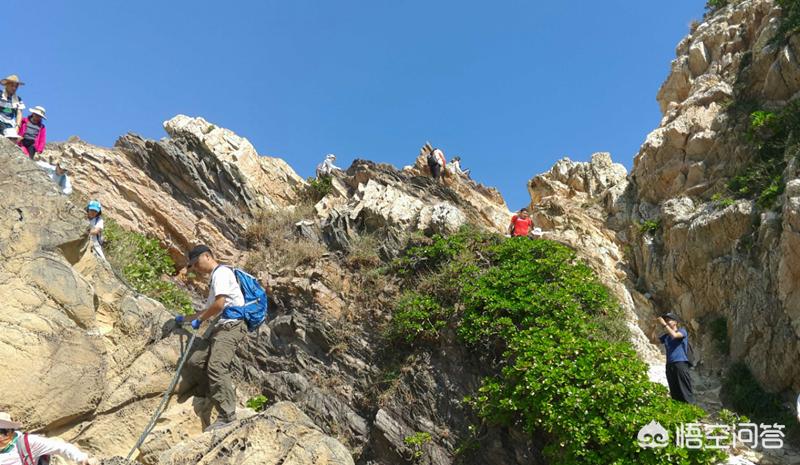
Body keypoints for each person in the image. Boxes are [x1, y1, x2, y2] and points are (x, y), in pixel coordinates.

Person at [179, 245, 247, 431]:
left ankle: (227, 415)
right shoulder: (214, 279)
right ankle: (211, 394)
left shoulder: (222, 273)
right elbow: (209, 309)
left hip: (231, 326)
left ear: (207, 256)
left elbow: (219, 305)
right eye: (192, 265)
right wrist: (185, 320)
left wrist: (200, 320)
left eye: (195, 263)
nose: (195, 267)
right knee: (196, 361)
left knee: (217, 366)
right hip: (219, 326)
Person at [0, 411, 96, 465]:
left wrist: (82, 458)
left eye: (1, 432)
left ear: (10, 431)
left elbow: (61, 447)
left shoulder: (26, 443)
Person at [657, 312, 694, 404]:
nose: (666, 322)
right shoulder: (666, 336)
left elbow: (675, 335)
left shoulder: (682, 331)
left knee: (684, 390)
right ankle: (678, 413)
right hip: (669, 365)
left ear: (675, 322)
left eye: (669, 320)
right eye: (665, 320)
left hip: (680, 363)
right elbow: (652, 340)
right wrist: (653, 326)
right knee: (674, 391)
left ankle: (691, 412)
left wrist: (664, 324)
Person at [0, 75, 25, 140]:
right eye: (12, 86)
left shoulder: (18, 100)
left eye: (16, 86)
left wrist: (17, 127)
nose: (14, 88)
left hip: (10, 124)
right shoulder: (0, 95)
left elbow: (19, 114)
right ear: (6, 85)